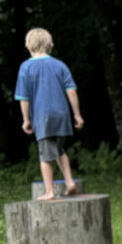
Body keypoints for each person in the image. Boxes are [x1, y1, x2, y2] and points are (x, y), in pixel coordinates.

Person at [14, 28, 85, 200]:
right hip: (62, 115)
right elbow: (72, 91)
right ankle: (69, 182)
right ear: (50, 45)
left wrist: (25, 120)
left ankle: (49, 192)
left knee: (45, 156)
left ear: (28, 46)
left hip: (42, 117)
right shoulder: (60, 65)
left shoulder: (26, 67)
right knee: (59, 150)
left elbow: (23, 97)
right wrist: (77, 114)